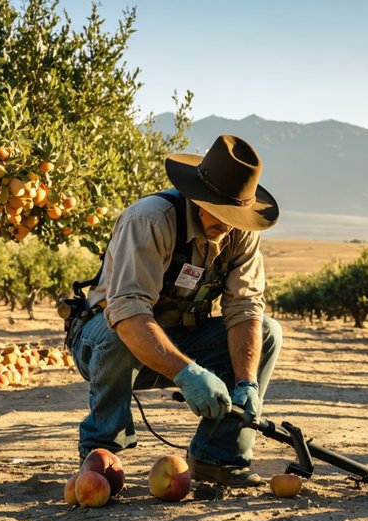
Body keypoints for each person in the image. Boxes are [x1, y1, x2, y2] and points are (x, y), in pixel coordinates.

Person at [68, 134, 283, 487]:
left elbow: (244, 307)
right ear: (197, 197)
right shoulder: (150, 221)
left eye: (235, 214)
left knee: (268, 332)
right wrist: (187, 373)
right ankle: (101, 454)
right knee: (118, 331)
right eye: (219, 210)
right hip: (103, 344)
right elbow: (129, 312)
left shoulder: (240, 233)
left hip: (182, 338)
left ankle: (219, 456)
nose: (227, 224)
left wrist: (246, 381)